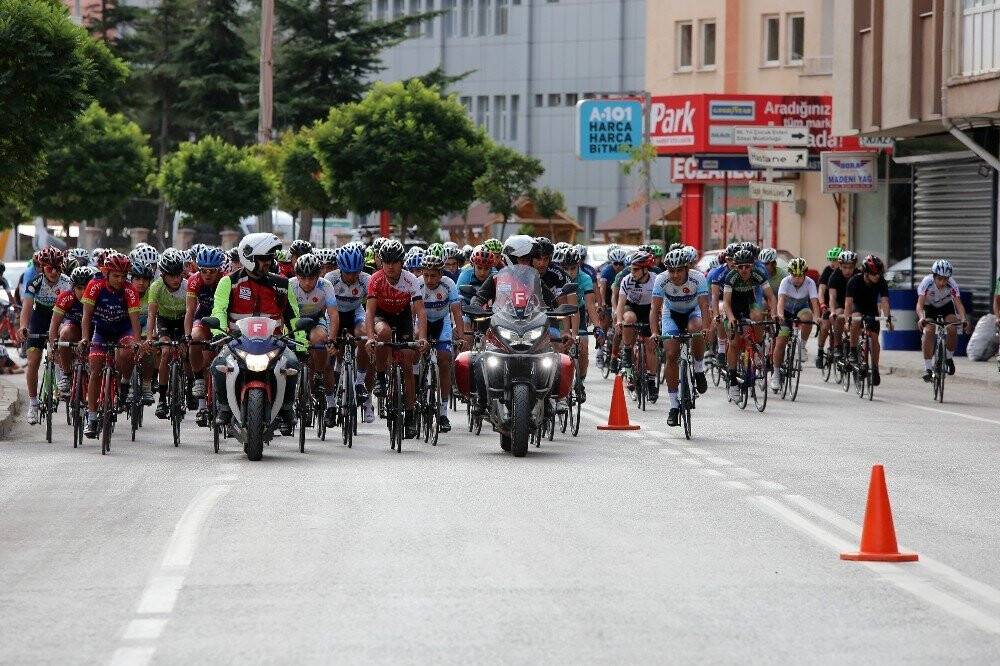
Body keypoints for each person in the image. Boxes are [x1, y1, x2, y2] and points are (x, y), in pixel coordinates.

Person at [210, 233, 304, 434]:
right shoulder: (229, 282)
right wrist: (218, 333)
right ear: (249, 258)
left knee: (293, 364)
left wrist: (301, 341)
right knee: (218, 365)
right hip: (236, 342)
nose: (268, 262)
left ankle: (287, 408)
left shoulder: (282, 284)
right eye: (262, 258)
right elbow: (218, 310)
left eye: (270, 258)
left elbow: (293, 316)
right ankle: (224, 407)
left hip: (274, 342)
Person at [366, 239, 428, 439]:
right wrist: (370, 338)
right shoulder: (375, 279)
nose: (390, 266)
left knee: (407, 363)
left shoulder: (411, 280)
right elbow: (370, 312)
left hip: (403, 316)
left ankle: (410, 415)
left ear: (402, 263)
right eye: (386, 262)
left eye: (394, 262)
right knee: (383, 333)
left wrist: (423, 338)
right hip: (381, 315)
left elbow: (420, 311)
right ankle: (381, 378)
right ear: (381, 262)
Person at [80, 253, 143, 438]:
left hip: (123, 330)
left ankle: (124, 382)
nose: (120, 280)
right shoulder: (94, 286)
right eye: (116, 276)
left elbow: (135, 320)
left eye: (124, 276)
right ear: (106, 273)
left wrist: (137, 342)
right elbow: (86, 316)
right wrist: (85, 338)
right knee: (95, 369)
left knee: (127, 353)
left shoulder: (130, 290)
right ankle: (92, 418)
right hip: (101, 330)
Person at [650, 249, 710, 426]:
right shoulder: (661, 279)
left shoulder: (698, 278)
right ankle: (674, 405)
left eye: (679, 270)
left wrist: (706, 327)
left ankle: (698, 369)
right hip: (671, 314)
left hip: (693, 311)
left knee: (696, 328)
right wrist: (654, 332)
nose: (675, 275)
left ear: (687, 268)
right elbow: (654, 309)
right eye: (671, 270)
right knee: (671, 354)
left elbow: (704, 305)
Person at [19, 248, 72, 424]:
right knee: (33, 361)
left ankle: (62, 379)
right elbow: (27, 307)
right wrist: (23, 327)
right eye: (50, 268)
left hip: (60, 317)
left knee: (59, 347)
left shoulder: (67, 283)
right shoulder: (35, 283)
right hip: (39, 319)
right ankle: (33, 403)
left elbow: (72, 310)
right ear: (42, 268)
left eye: (58, 267)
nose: (54, 272)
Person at [290, 253, 340, 427]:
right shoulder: (290, 285)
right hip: (294, 321)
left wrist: (332, 340)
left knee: (319, 341)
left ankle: (328, 397)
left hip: (316, 319)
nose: (307, 282)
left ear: (318, 275)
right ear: (296, 275)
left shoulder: (325, 285)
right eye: (302, 277)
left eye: (311, 278)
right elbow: (282, 314)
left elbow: (333, 314)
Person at [326, 245, 374, 423]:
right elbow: (327, 309)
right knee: (330, 347)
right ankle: (330, 402)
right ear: (340, 268)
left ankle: (360, 382)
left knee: (364, 335)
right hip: (335, 313)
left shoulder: (366, 279)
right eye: (348, 273)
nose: (352, 277)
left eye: (356, 272)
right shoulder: (330, 278)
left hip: (356, 312)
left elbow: (371, 307)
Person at [722, 248, 777, 400]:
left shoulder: (758, 274)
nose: (744, 270)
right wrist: (731, 318)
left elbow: (771, 297)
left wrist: (774, 313)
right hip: (732, 307)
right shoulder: (731, 277)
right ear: (735, 267)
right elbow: (726, 303)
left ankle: (758, 347)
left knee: (758, 316)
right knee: (734, 343)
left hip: (748, 303)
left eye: (747, 266)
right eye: (740, 267)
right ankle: (733, 381)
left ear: (752, 266)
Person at [417, 254, 464, 432]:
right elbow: (412, 313)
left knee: (445, 360)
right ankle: (416, 387)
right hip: (422, 321)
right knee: (415, 350)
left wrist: (460, 336)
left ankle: (443, 412)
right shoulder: (418, 284)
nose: (429, 280)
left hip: (441, 321)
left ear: (441, 274)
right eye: (426, 275)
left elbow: (456, 312)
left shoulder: (448, 284)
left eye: (433, 276)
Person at [146, 250, 189, 419]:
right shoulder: (156, 287)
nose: (176, 279)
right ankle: (162, 399)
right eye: (171, 275)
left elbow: (192, 312)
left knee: (185, 351)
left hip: (182, 321)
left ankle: (189, 386)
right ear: (163, 274)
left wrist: (188, 336)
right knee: (165, 352)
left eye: (178, 275)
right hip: (164, 321)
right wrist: (149, 337)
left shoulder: (187, 286)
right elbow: (151, 315)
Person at [185, 246, 226, 426]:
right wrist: (187, 335)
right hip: (202, 318)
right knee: (195, 339)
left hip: (221, 320)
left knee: (212, 360)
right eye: (204, 271)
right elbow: (190, 310)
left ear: (219, 270)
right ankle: (199, 387)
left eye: (212, 271)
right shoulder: (194, 281)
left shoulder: (226, 280)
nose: (207, 275)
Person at [770, 258, 821, 391]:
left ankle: (802, 346)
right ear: (790, 274)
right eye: (794, 275)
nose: (797, 279)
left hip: (801, 309)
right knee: (780, 342)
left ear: (804, 274)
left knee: (808, 317)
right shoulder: (785, 282)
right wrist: (780, 315)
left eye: (800, 276)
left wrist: (817, 317)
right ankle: (776, 374)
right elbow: (781, 301)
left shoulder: (810, 283)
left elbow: (814, 302)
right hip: (786, 311)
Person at [843, 254, 893, 386]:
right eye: (874, 274)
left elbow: (885, 301)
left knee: (874, 339)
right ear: (865, 272)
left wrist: (888, 319)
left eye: (879, 273)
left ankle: (875, 368)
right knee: (856, 320)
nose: (877, 276)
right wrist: (847, 321)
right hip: (857, 307)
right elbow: (848, 303)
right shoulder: (854, 281)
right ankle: (853, 351)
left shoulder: (881, 281)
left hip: (871, 309)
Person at [47, 266, 97, 399]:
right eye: (79, 288)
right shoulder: (65, 297)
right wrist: (53, 347)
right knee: (64, 334)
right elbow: (54, 324)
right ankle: (66, 374)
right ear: (73, 287)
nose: (83, 292)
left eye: (87, 287)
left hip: (93, 330)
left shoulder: (98, 297)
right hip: (73, 327)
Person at [615, 250, 659, 401]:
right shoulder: (627, 280)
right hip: (631, 307)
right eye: (631, 269)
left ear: (645, 269)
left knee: (650, 346)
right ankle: (627, 350)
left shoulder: (656, 280)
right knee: (629, 318)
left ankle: (651, 382)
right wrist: (619, 321)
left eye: (635, 269)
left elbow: (660, 304)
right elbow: (621, 303)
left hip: (648, 310)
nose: (632, 272)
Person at [916, 259, 969, 381]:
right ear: (934, 276)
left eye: (945, 279)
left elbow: (958, 304)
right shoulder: (927, 282)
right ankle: (928, 368)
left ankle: (948, 358)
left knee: (952, 328)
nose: (942, 282)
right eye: (939, 279)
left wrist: (963, 319)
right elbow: (919, 304)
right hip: (930, 307)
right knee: (929, 331)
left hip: (946, 307)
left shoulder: (952, 284)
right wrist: (921, 317)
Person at [826, 250, 860, 360]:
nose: (848, 270)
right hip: (839, 303)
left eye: (850, 267)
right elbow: (832, 297)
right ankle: (837, 346)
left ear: (854, 266)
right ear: (840, 266)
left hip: (855, 303)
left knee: (856, 317)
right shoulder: (834, 276)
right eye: (845, 267)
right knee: (839, 313)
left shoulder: (859, 275)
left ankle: (855, 347)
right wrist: (832, 311)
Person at [815, 246, 843, 369]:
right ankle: (820, 352)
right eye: (831, 260)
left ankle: (842, 347)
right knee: (825, 327)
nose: (832, 263)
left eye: (835, 260)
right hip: (828, 303)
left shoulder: (846, 271)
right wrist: (822, 305)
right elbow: (821, 290)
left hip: (842, 304)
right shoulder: (827, 271)